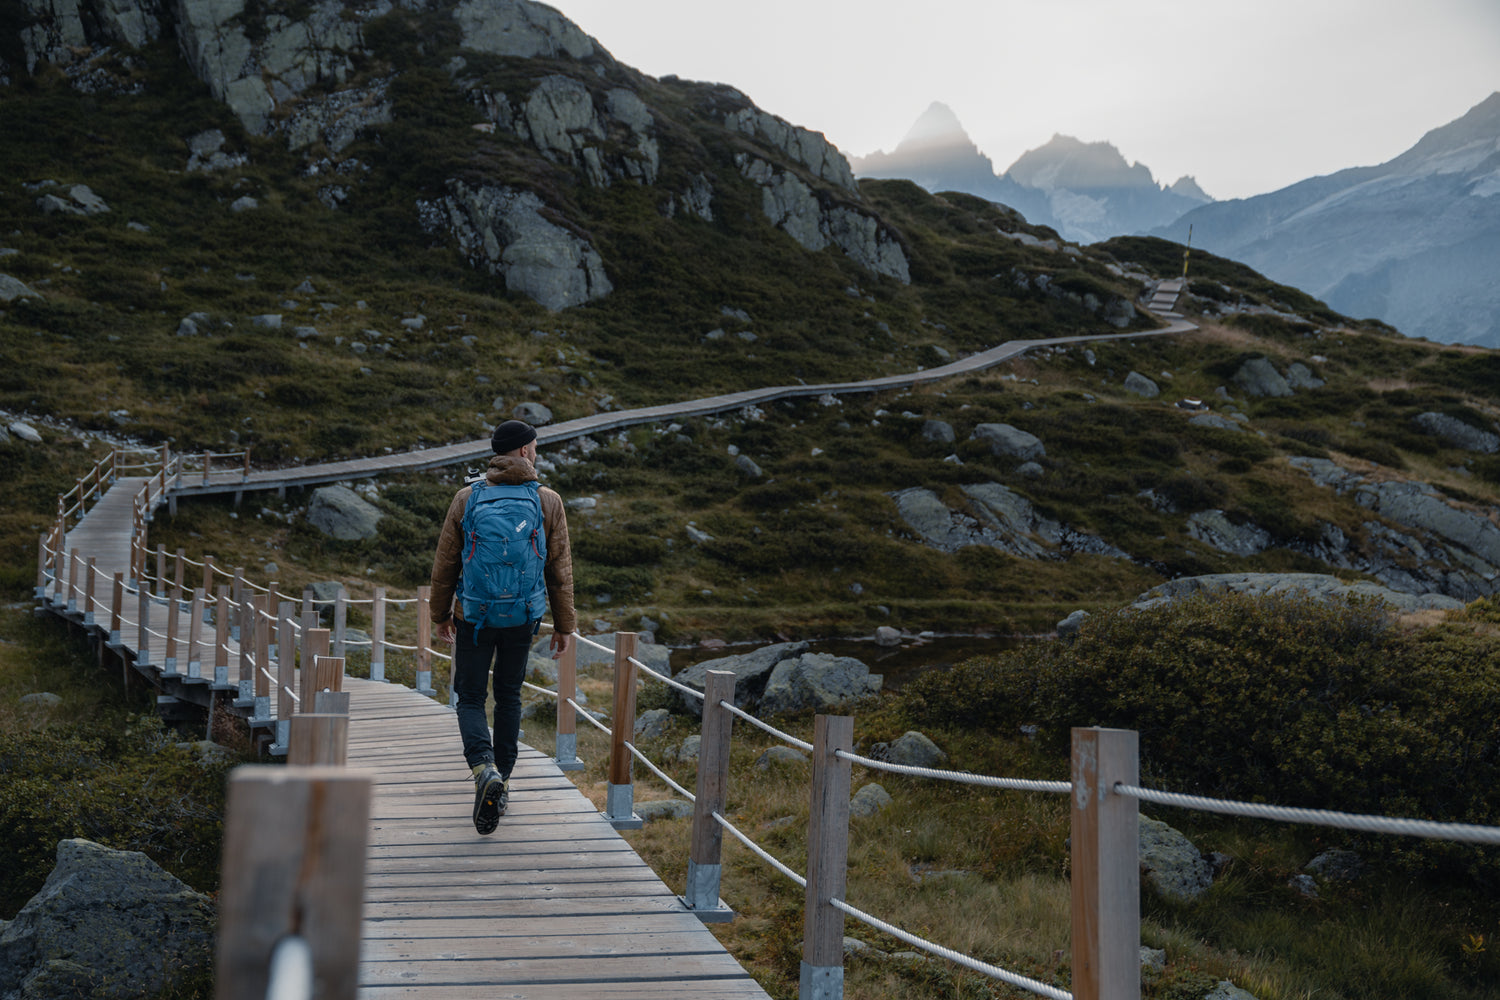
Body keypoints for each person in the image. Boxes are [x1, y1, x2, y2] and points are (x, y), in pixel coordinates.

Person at [430, 419, 576, 835]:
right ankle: (504, 783)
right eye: (536, 446)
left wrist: (440, 614)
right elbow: (559, 571)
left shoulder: (467, 497)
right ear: (526, 451)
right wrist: (563, 625)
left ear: (498, 454)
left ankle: (483, 770)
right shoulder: (548, 501)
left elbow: (445, 565)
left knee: (470, 697)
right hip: (522, 617)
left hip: (473, 616)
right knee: (508, 697)